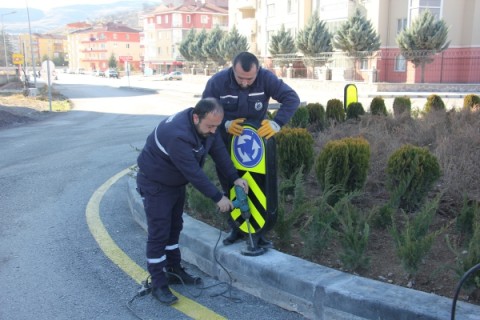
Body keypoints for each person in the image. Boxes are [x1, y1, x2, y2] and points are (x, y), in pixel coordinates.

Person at [136, 98, 248, 305]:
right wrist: (218, 198)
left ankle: (173, 270)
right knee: (159, 233)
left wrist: (235, 178)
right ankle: (159, 284)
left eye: (217, 125)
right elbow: (194, 173)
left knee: (175, 227)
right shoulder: (178, 135)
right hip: (156, 184)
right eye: (210, 126)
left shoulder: (205, 127)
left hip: (174, 183)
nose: (214, 131)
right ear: (196, 118)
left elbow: (219, 151)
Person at [202, 51, 300, 246]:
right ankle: (236, 228)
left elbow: (292, 99)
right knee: (231, 187)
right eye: (240, 78)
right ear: (232, 69)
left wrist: (277, 123)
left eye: (250, 78)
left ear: (258, 71)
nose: (245, 83)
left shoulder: (266, 79)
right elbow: (204, 109)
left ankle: (258, 233)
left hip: (256, 149)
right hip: (226, 145)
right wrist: (225, 124)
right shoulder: (218, 82)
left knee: (258, 188)